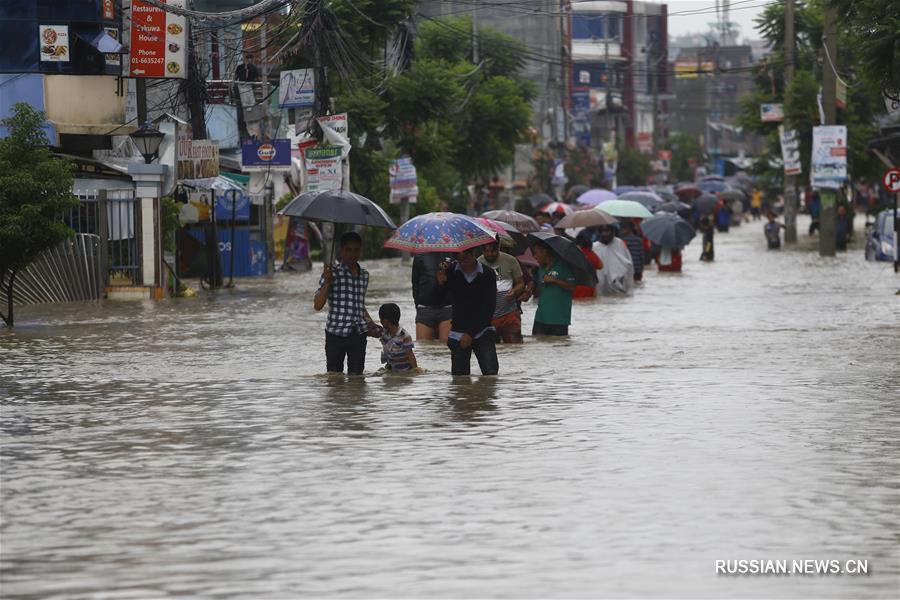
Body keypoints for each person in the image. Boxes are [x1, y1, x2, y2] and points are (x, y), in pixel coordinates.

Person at [313, 231, 379, 375]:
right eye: (348, 250)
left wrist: (371, 324)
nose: (352, 254)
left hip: (359, 334)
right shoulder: (332, 273)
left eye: (356, 250)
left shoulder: (364, 275)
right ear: (341, 251)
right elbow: (317, 305)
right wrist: (328, 283)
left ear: (360, 251)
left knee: (357, 381)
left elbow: (359, 305)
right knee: (334, 378)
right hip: (335, 334)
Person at [436, 247, 499, 376]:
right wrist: (441, 283)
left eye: (466, 258)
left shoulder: (488, 274)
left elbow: (489, 308)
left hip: (483, 331)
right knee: (460, 380)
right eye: (459, 259)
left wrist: (470, 333)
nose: (462, 262)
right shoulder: (451, 272)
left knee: (490, 376)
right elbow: (439, 300)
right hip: (458, 332)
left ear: (473, 254)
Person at [478, 240, 525, 343]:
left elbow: (521, 283)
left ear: (498, 248)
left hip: (510, 314)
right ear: (482, 250)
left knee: (514, 347)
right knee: (491, 349)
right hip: (488, 317)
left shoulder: (511, 260)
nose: (489, 254)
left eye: (493, 251)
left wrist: (514, 291)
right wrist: (487, 291)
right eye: (486, 251)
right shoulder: (478, 263)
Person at [532, 242, 576, 335]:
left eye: (536, 253)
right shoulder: (539, 269)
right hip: (540, 317)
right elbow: (538, 291)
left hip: (559, 320)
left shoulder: (563, 266)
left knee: (558, 347)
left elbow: (572, 287)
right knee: (537, 346)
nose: (534, 257)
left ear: (544, 252)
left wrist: (555, 281)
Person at [411, 252, 453, 342]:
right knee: (424, 348)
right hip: (424, 308)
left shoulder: (453, 255)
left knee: (446, 348)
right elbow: (415, 283)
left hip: (448, 308)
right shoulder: (419, 256)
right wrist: (418, 306)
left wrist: (447, 277)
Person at [592, 225, 634, 295]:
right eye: (603, 231)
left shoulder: (619, 243)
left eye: (608, 231)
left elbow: (628, 263)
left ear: (613, 232)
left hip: (619, 283)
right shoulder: (595, 247)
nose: (605, 234)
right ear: (599, 233)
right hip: (601, 285)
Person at [377, 303, 417, 372]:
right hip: (391, 369)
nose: (380, 321)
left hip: (405, 372)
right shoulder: (384, 334)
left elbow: (411, 355)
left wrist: (415, 370)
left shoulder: (404, 336)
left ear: (386, 321)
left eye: (381, 319)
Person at [573, 231, 602, 298]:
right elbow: (600, 266)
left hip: (576, 287)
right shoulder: (592, 254)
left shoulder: (574, 254)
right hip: (590, 286)